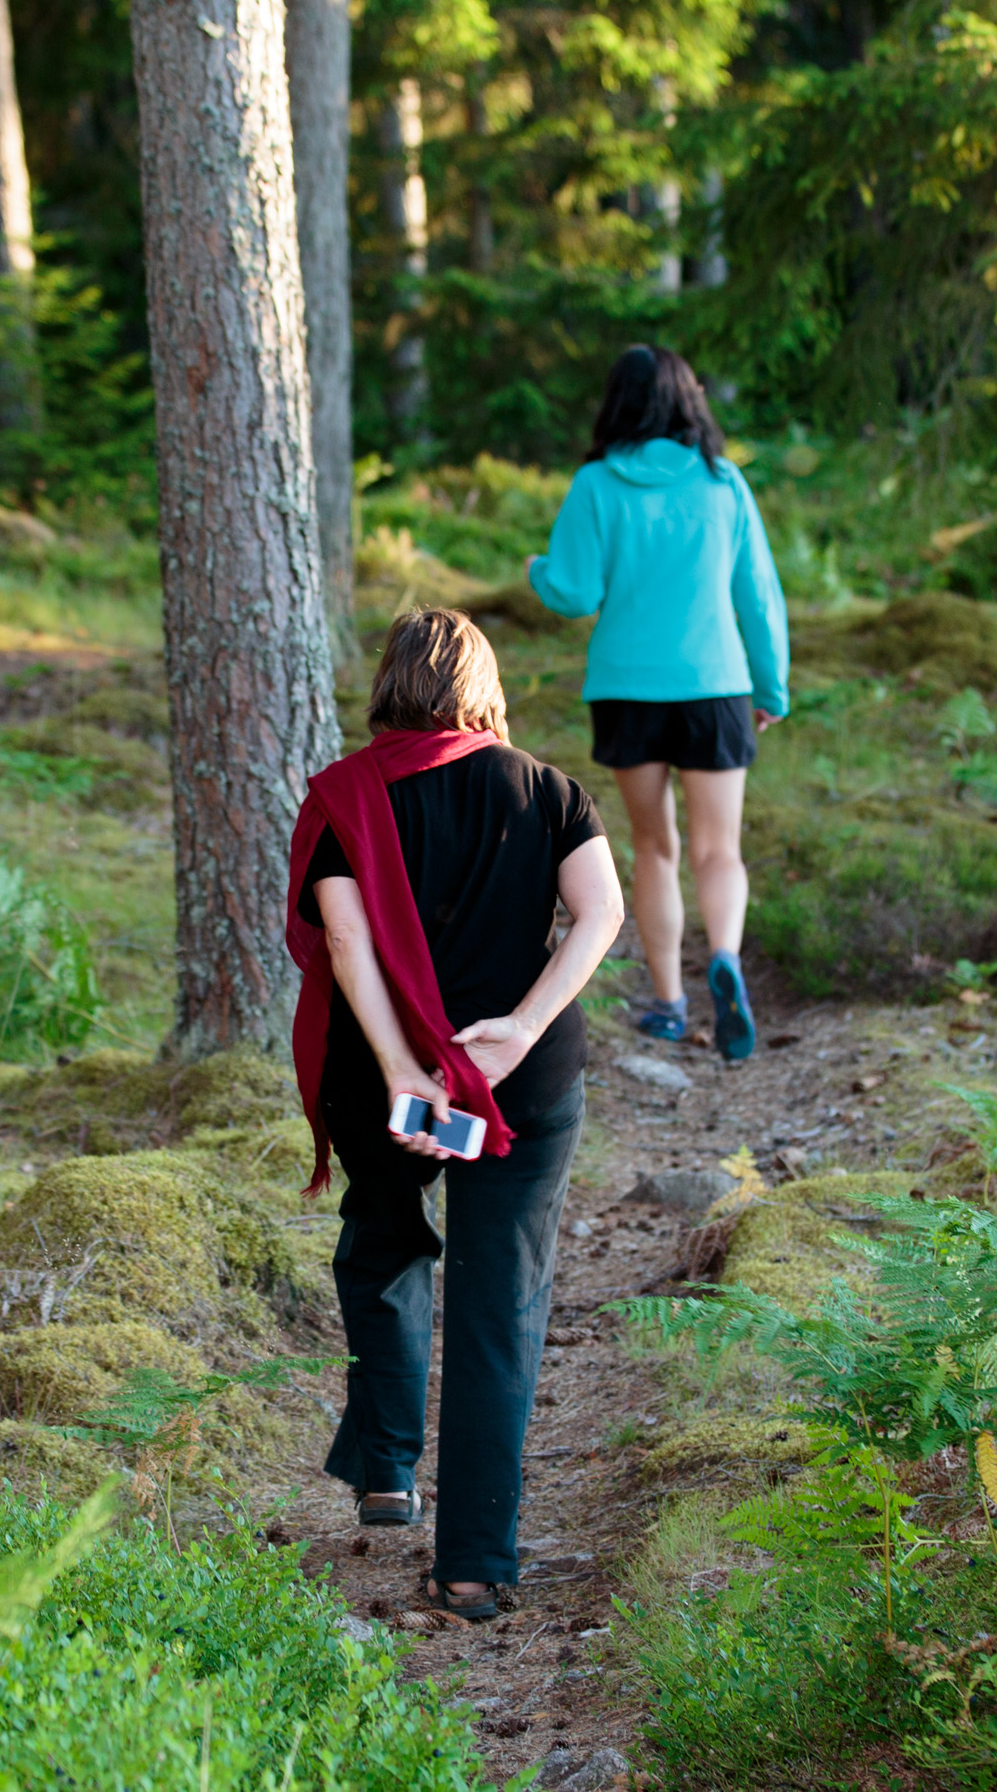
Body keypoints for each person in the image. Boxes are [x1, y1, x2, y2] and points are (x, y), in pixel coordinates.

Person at [284, 609, 625, 1622]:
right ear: (483, 687)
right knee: (498, 1304)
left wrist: (401, 1070)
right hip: (518, 1074)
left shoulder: (346, 796)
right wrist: (517, 1029)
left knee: (383, 1241)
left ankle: (386, 1465)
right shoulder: (550, 790)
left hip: (380, 1070)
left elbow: (344, 946)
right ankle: (475, 1566)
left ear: (390, 684)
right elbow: (601, 913)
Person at [525, 344, 788, 1063]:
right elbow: (758, 596)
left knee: (654, 848)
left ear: (617, 402)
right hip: (717, 687)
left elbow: (574, 591)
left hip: (628, 689)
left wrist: (538, 573)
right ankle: (726, 958)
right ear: (688, 399)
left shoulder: (595, 484)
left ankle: (669, 1004)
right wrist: (772, 689)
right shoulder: (722, 482)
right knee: (718, 849)